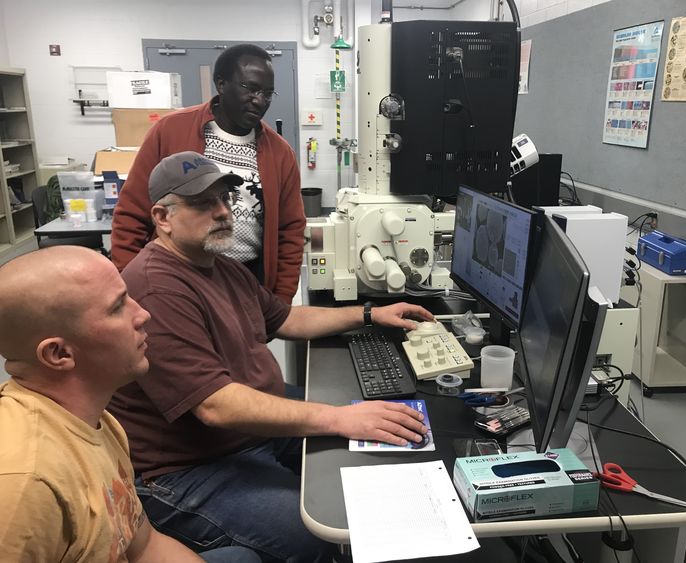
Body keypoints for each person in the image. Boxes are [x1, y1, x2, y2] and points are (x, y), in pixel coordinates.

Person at [108, 152, 434, 562]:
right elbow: (216, 406)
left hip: (252, 434)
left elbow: (286, 319)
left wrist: (369, 314)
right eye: (204, 203)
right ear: (162, 216)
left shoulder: (218, 265)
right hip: (192, 467)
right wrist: (337, 418)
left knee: (375, 450)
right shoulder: (156, 287)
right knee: (322, 533)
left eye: (225, 198)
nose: (224, 211)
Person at [0, 247, 259, 562]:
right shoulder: (25, 485)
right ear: (59, 354)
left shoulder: (98, 421)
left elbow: (145, 546)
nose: (143, 314)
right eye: (118, 307)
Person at [111, 43, 304, 304]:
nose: (260, 100)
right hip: (176, 278)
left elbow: (290, 230)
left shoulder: (279, 153)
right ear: (221, 84)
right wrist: (129, 288)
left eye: (268, 93)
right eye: (250, 88)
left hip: (246, 280)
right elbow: (132, 213)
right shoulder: (171, 131)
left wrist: (280, 299)